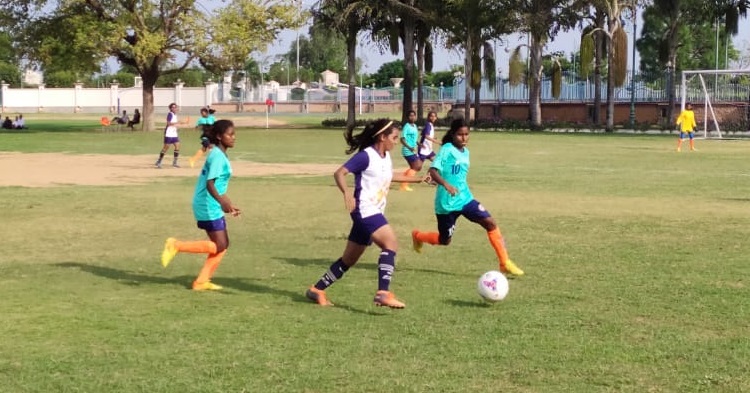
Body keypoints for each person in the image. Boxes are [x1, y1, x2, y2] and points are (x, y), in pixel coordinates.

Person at [305, 119, 424, 308]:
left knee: (349, 260)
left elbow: (389, 176)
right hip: (364, 209)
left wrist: (419, 180)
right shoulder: (366, 156)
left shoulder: (385, 156)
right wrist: (347, 193)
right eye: (394, 137)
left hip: (373, 210)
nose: (396, 141)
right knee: (391, 243)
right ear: (382, 137)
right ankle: (383, 293)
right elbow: (339, 173)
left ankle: (316, 289)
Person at [411, 118, 525, 277]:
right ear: (453, 134)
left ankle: (504, 262)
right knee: (445, 240)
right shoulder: (447, 149)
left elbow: (459, 175)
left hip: (465, 199)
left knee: (490, 223)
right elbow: (433, 171)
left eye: (466, 134)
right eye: (460, 135)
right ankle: (418, 236)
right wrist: (446, 184)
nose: (464, 138)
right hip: (446, 204)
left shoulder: (467, 152)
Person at [160, 120, 240, 291]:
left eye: (234, 134)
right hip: (207, 204)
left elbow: (216, 185)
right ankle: (176, 245)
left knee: (222, 245)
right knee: (220, 245)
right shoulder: (218, 156)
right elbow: (210, 184)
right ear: (219, 136)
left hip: (211, 203)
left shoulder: (217, 153)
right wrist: (222, 201)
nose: (234, 138)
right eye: (230, 134)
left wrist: (228, 204)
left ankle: (201, 281)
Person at [399, 110, 422, 191]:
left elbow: (414, 138)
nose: (412, 117)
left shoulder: (415, 126)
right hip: (407, 150)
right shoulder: (406, 126)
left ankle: (403, 181)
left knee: (415, 167)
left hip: (413, 150)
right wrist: (409, 147)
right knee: (417, 166)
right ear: (407, 117)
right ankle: (404, 185)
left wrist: (419, 144)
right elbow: (402, 139)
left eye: (413, 115)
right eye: (410, 116)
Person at [155, 103, 181, 168]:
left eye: (175, 107)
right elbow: (169, 123)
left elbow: (174, 124)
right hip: (169, 133)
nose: (175, 108)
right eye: (173, 107)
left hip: (174, 133)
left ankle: (174, 163)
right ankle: (159, 161)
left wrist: (177, 127)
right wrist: (177, 123)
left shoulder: (175, 115)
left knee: (177, 146)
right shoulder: (170, 114)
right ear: (171, 108)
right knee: (166, 148)